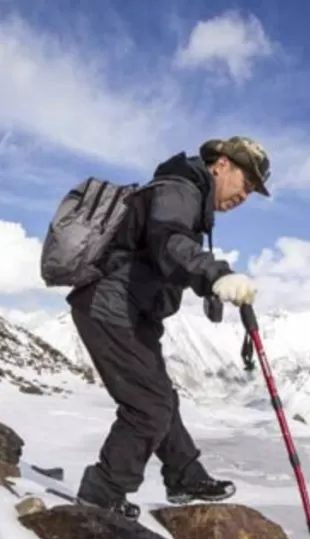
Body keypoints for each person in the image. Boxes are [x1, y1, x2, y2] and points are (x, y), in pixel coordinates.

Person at [66, 136, 270, 519]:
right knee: (148, 405)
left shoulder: (188, 194)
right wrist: (216, 274)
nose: (246, 194)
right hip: (111, 305)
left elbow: (167, 251)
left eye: (254, 190)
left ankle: (184, 475)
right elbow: (169, 242)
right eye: (247, 182)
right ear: (222, 164)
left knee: (161, 397)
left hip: (131, 309)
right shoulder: (180, 189)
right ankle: (102, 493)